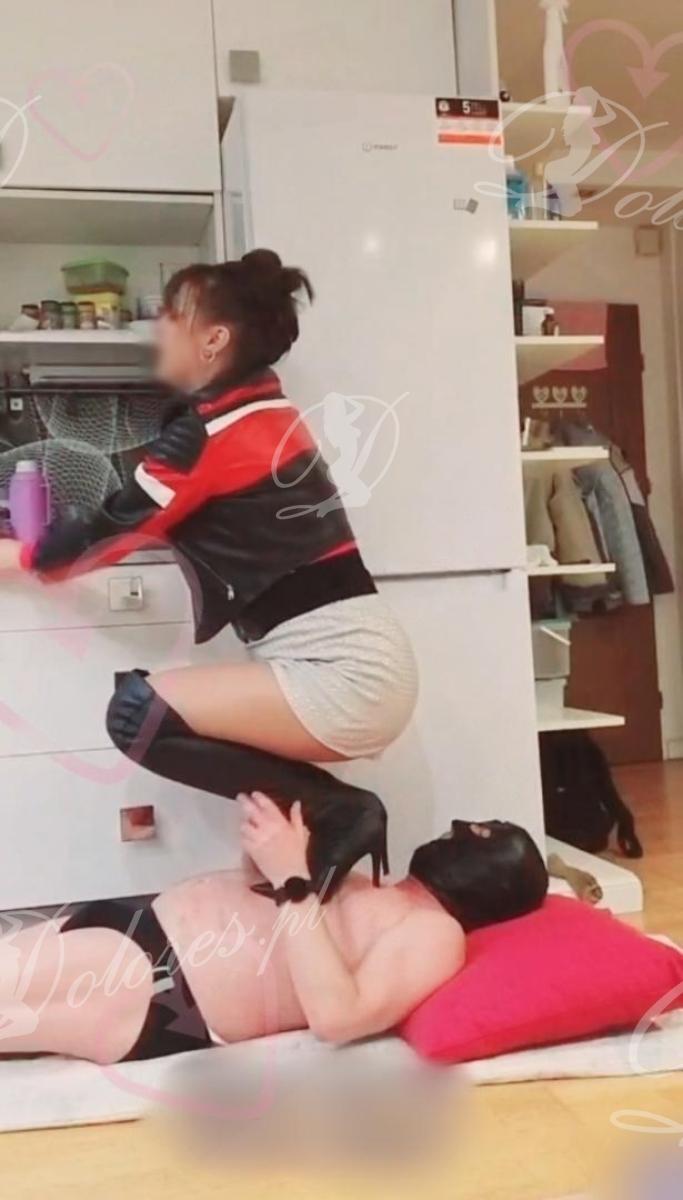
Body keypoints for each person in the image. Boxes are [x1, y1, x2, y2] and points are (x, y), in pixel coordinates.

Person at [0, 250, 419, 892]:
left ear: (214, 339)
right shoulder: (263, 413)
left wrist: (24, 556)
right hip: (363, 665)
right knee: (157, 719)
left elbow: (112, 529)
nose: (158, 331)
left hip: (347, 676)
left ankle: (337, 809)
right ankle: (322, 822)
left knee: (135, 714)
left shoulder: (213, 430)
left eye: (172, 317)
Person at [0, 802, 548, 1064]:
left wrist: (292, 879)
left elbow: (339, 1017)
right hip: (139, 928)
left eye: (483, 835)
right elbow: (273, 900)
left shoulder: (436, 933)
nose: (458, 828)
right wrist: (275, 844)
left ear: (495, 880)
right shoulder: (375, 887)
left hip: (162, 985)